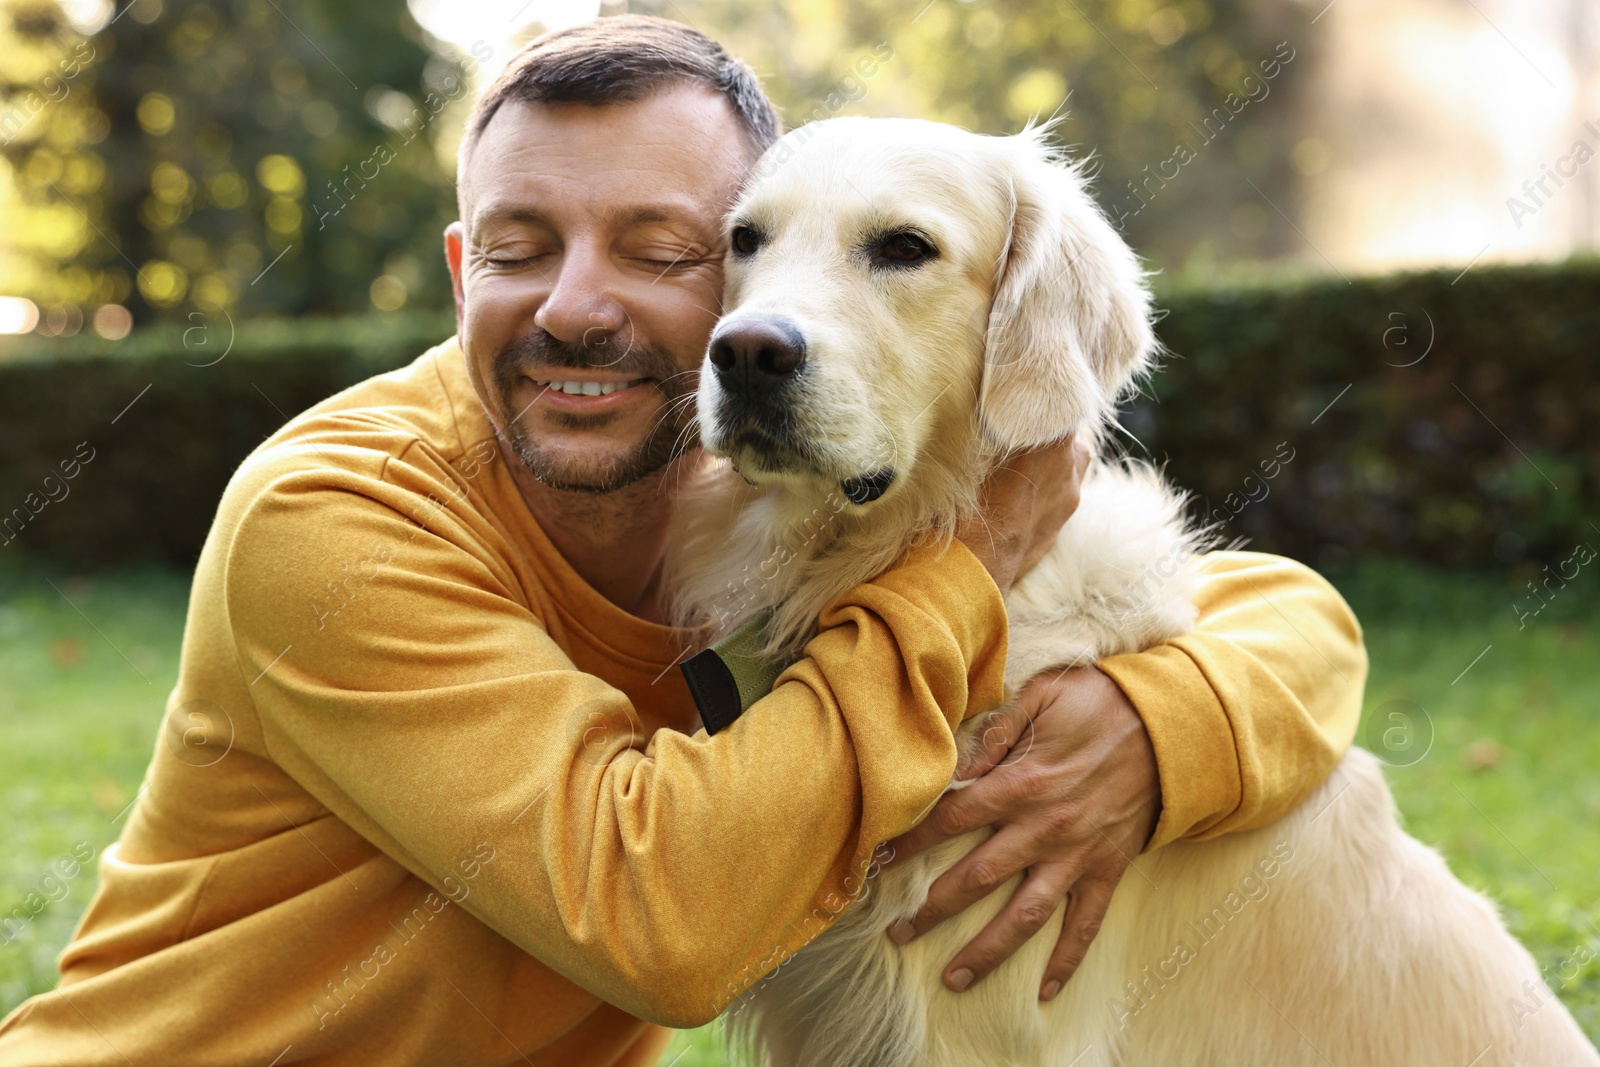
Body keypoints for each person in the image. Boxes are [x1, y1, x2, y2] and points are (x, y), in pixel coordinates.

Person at [0, 15, 1366, 1066]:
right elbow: (663, 914)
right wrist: (964, 580)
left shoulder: (732, 503)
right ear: (461, 272)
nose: (578, 308)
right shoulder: (337, 518)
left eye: (660, 247)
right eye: (525, 246)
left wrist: (1164, 723)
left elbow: (1267, 609)